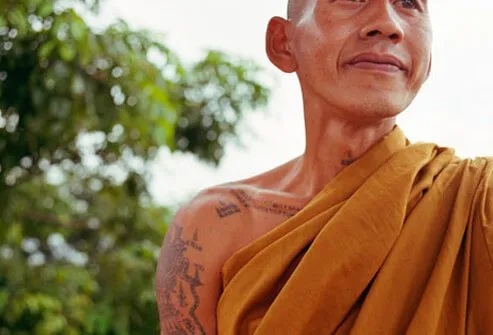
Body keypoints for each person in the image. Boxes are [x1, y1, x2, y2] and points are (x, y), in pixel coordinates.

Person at [155, 0, 493, 334]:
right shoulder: (212, 226)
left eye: (408, 3)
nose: (388, 23)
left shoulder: (476, 201)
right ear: (284, 43)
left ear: (429, 56)